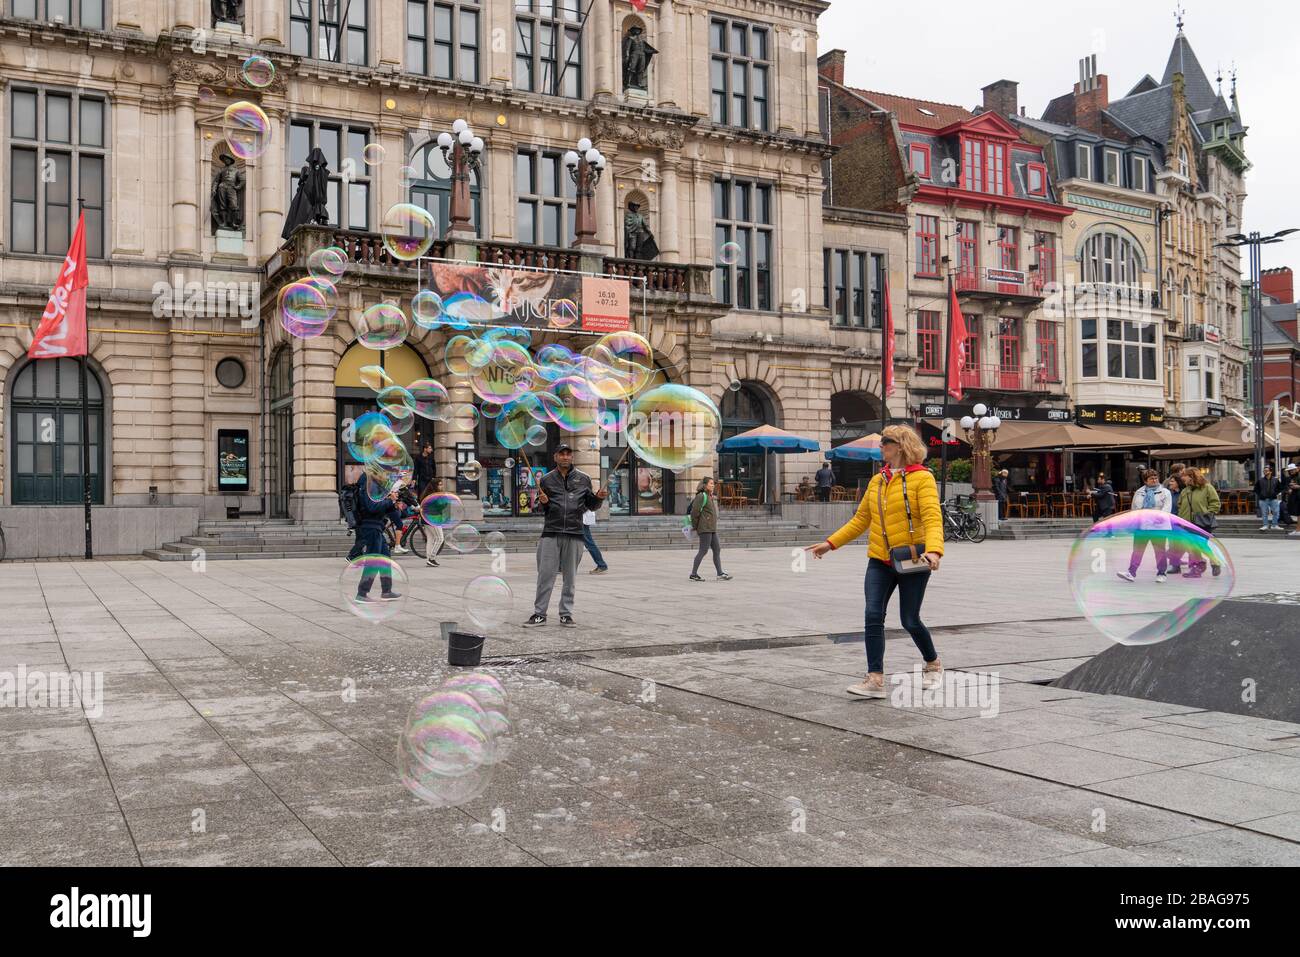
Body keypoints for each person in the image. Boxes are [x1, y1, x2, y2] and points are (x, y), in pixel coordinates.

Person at [807, 424, 944, 699]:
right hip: (879, 560)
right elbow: (861, 520)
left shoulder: (922, 479)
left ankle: (933, 664)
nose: (880, 447)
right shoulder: (877, 480)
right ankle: (875, 679)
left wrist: (934, 551)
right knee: (872, 615)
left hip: (913, 559)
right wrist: (830, 544)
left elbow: (931, 517)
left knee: (909, 619)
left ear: (901, 446)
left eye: (885, 442)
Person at [523, 444, 607, 628]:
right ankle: (539, 614)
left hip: (575, 532)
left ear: (572, 457)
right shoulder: (546, 480)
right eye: (562, 454)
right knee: (545, 575)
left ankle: (566, 614)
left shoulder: (584, 479)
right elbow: (538, 508)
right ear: (555, 457)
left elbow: (591, 505)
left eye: (568, 454)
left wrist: (599, 497)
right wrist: (542, 502)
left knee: (570, 578)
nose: (565, 457)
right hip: (551, 532)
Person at [1116, 470, 1173, 583]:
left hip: (1158, 527)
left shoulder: (1165, 492)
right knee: (1137, 550)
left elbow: (1166, 509)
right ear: (1145, 481)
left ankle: (1161, 573)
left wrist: (1156, 519)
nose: (1154, 480)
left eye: (1156, 477)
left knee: (1159, 551)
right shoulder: (1139, 492)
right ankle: (1131, 572)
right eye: (1151, 478)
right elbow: (1135, 508)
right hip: (1142, 527)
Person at [350, 487, 403, 602]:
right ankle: (362, 593)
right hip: (370, 527)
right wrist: (389, 500)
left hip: (377, 527)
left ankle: (386, 591)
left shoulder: (378, 490)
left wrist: (393, 504)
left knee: (385, 558)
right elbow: (372, 507)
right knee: (373, 561)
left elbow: (386, 511)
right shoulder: (367, 488)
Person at [1176, 467, 1222, 578]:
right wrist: (1180, 520)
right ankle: (1197, 568)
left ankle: (1214, 562)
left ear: (1191, 476)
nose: (1183, 479)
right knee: (1192, 547)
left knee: (1200, 545)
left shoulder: (1207, 487)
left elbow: (1215, 503)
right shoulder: (1185, 490)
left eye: (1185, 476)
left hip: (1202, 522)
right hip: (1187, 523)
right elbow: (1180, 505)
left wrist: (1207, 513)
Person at [687, 477, 732, 582]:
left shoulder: (709, 496)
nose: (713, 485)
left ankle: (720, 573)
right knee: (703, 550)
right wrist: (695, 526)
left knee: (717, 549)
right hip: (705, 528)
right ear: (705, 485)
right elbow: (694, 513)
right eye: (711, 483)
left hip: (711, 528)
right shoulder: (701, 496)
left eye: (713, 483)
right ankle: (693, 574)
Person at [579, 507, 609, 575]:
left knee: (589, 543)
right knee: (569, 542)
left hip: (580, 520)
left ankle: (602, 565)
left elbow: (586, 505)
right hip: (579, 519)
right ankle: (563, 566)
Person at [1255, 466, 1283, 531]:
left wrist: (1275, 493)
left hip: (1273, 499)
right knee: (1264, 513)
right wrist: (1260, 495)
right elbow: (1256, 489)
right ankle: (1265, 525)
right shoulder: (1260, 480)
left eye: (1266, 471)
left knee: (1276, 512)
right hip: (1263, 499)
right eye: (1264, 471)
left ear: (1270, 471)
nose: (1265, 472)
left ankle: (1274, 525)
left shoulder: (1275, 480)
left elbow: (1280, 488)